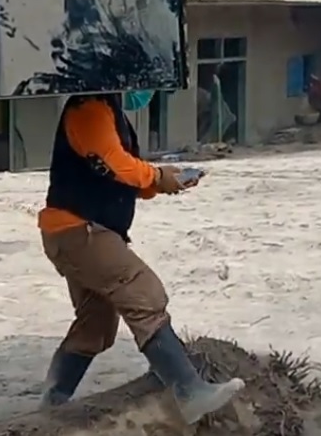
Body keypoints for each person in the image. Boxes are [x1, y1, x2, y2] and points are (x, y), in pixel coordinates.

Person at [37, 90, 245, 424]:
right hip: (79, 231)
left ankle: (53, 400)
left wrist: (163, 182)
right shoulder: (89, 109)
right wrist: (159, 177)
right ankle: (189, 390)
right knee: (142, 292)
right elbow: (116, 164)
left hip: (75, 232)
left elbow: (113, 173)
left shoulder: (104, 107)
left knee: (97, 324)